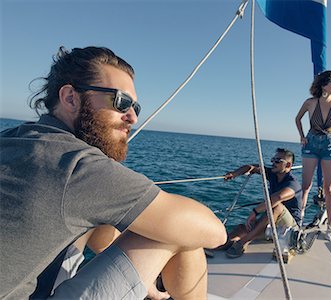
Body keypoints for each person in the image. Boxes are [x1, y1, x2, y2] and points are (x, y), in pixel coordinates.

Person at [0, 46, 227, 300]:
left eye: (135, 107)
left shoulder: (17, 140)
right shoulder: (73, 164)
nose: (132, 117)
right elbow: (214, 233)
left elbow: (100, 240)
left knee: (108, 216)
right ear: (71, 98)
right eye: (121, 102)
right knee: (179, 233)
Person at [222, 148, 302, 258]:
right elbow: (252, 167)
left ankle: (242, 243)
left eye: (278, 161)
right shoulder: (273, 175)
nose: (273, 163)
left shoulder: (293, 184)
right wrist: (234, 174)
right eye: (273, 160)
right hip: (272, 223)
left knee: (276, 206)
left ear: (288, 165)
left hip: (289, 227)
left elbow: (277, 198)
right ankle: (218, 246)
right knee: (241, 229)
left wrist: (254, 212)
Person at [294, 70, 331, 242]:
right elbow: (297, 119)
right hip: (311, 143)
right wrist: (301, 136)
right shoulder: (309, 102)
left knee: (329, 187)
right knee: (306, 186)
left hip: (330, 144)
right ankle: (298, 222)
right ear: (323, 84)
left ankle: (330, 228)